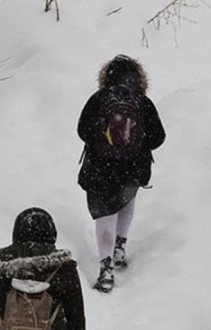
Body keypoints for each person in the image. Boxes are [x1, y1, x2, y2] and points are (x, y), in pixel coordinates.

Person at [77, 54, 166, 292]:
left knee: (104, 215)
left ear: (106, 77)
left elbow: (82, 131)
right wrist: (135, 144)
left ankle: (106, 267)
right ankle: (120, 247)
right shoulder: (142, 102)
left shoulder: (98, 99)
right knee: (126, 200)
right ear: (139, 78)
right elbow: (158, 137)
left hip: (99, 169)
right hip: (132, 169)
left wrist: (103, 142)